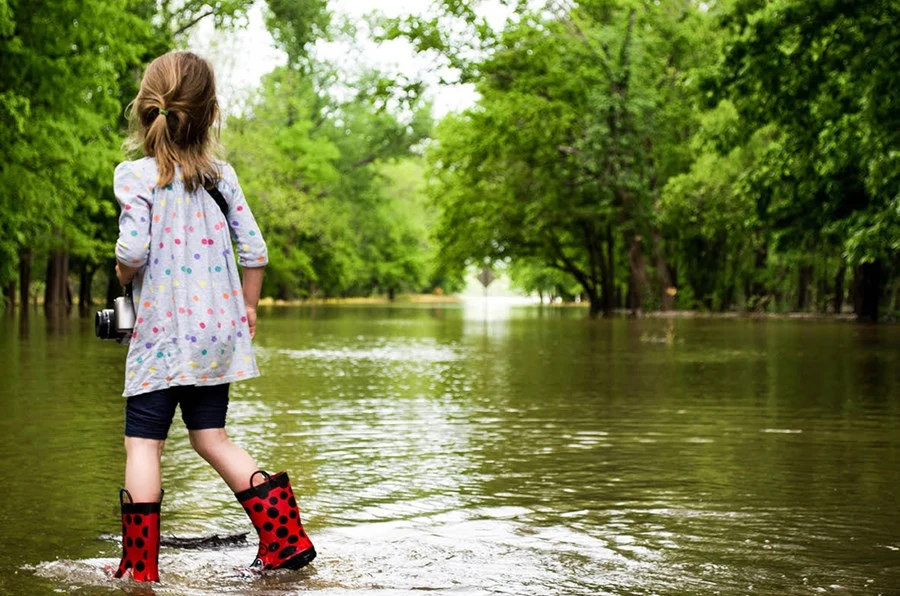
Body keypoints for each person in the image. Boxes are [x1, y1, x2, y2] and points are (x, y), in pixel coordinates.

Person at [111, 51, 315, 582]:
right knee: (211, 437)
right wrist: (248, 305)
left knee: (143, 444)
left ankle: (139, 568)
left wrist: (122, 275)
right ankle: (286, 541)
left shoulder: (136, 176)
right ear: (209, 113)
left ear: (146, 109)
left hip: (161, 336)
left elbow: (132, 252)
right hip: (215, 335)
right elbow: (256, 251)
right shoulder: (221, 177)